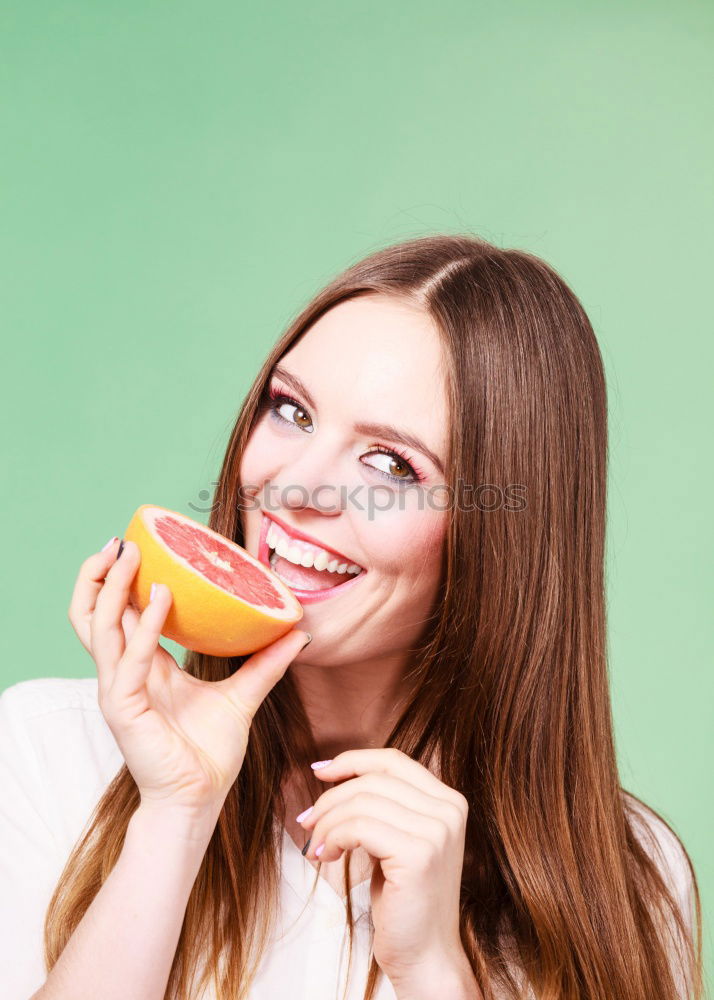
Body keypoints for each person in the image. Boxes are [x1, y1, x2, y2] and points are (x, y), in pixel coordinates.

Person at [0, 234, 703, 1000]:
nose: (294, 484)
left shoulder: (630, 878)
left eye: (393, 465)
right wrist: (174, 816)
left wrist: (436, 973)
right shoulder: (49, 753)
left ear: (504, 539)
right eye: (291, 411)